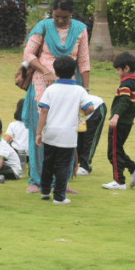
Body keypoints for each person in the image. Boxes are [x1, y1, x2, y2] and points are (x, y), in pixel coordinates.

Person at [20, 0, 90, 194]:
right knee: (39, 133)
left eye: (64, 18)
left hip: (70, 88)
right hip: (42, 87)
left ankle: (62, 181)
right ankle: (36, 180)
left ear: (72, 15)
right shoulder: (42, 26)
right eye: (56, 16)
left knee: (67, 133)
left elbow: (84, 62)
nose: (60, 21)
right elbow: (28, 54)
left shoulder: (80, 30)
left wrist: (85, 92)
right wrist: (45, 71)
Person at [36, 55, 95, 205]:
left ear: (55, 72)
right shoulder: (79, 90)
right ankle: (59, 196)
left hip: (50, 132)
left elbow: (43, 111)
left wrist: (38, 132)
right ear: (73, 72)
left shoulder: (51, 89)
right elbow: (90, 107)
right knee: (62, 165)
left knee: (48, 162)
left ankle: (44, 190)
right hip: (68, 133)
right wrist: (80, 114)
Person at [103, 52, 135, 190]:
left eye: (118, 69)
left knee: (112, 152)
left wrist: (115, 116)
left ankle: (119, 181)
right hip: (128, 123)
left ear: (126, 69)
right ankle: (133, 168)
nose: (117, 72)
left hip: (119, 122)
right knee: (117, 150)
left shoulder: (125, 84)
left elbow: (124, 101)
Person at [75, 94, 106, 176]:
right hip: (82, 113)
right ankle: (73, 164)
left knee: (90, 139)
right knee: (79, 140)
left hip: (96, 108)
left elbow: (90, 108)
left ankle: (85, 167)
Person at [4, 99, 29, 164]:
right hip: (31, 154)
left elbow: (5, 140)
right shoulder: (34, 125)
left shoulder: (13, 125)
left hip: (17, 154)